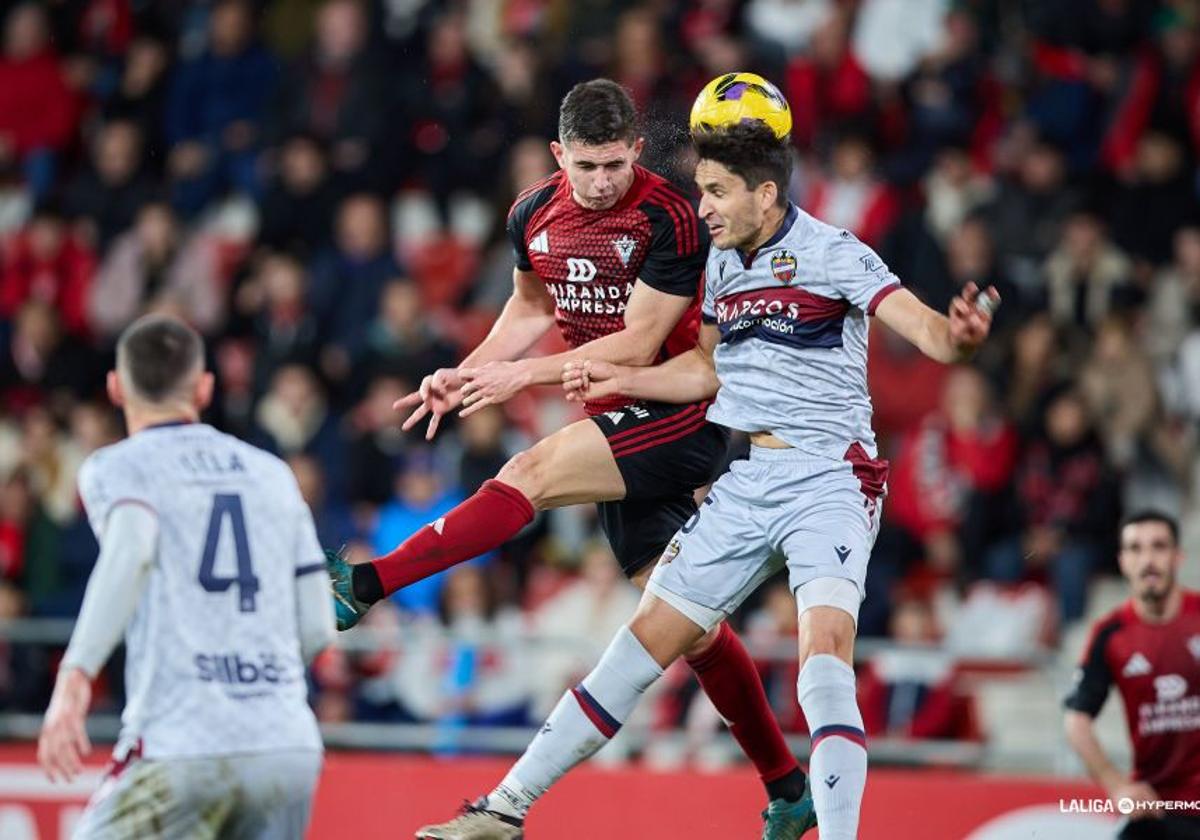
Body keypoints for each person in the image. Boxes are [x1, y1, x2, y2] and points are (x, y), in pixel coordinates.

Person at [418, 120, 996, 839]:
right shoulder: (722, 264)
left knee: (824, 653)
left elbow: (931, 334)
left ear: (765, 192)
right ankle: (505, 810)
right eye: (700, 192)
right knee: (638, 646)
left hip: (830, 480)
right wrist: (621, 374)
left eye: (718, 193)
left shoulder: (835, 252)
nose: (705, 209)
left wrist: (961, 336)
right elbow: (703, 369)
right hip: (747, 476)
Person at [330, 79, 817, 838]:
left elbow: (637, 341)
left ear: (638, 151)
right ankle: (788, 787)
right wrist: (468, 370)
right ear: (560, 155)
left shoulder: (670, 217)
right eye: (587, 166)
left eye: (615, 164)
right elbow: (529, 308)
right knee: (688, 626)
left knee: (529, 472)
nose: (601, 182)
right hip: (615, 418)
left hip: (685, 408)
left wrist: (518, 376)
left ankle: (365, 583)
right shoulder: (532, 213)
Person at [36, 315, 335, 838]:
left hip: (181, 741)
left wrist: (76, 673)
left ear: (116, 387)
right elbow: (316, 627)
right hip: (286, 745)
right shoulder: (272, 473)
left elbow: (131, 549)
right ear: (203, 387)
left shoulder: (117, 467)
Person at [1064, 511, 1200, 839]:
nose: (1148, 560)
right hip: (1157, 808)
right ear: (1123, 561)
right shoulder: (1111, 634)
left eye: (1158, 547)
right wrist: (1117, 786)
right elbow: (1076, 720)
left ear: (1177, 556)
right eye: (1136, 549)